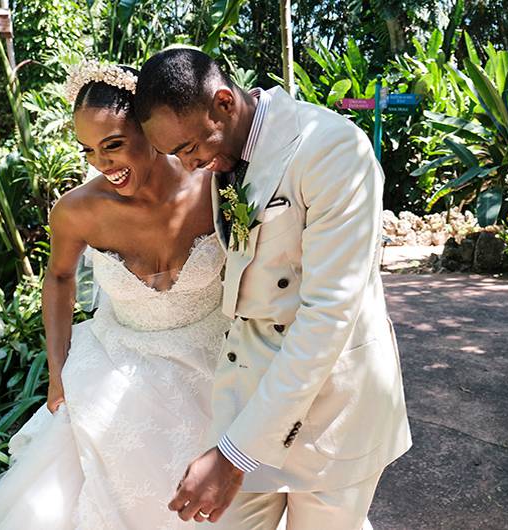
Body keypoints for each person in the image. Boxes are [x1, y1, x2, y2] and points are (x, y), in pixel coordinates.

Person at [135, 48, 412, 529]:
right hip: (250, 397)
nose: (191, 163)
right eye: (176, 154)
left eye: (188, 147)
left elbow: (328, 316)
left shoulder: (332, 149)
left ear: (223, 103)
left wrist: (233, 455)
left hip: (334, 410)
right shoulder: (222, 157)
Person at [0, 60, 229, 529]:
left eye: (113, 145)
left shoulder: (213, 184)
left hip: (218, 364)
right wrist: (57, 370)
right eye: (89, 151)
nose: (102, 163)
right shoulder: (78, 211)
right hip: (119, 363)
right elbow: (58, 279)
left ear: (150, 130)